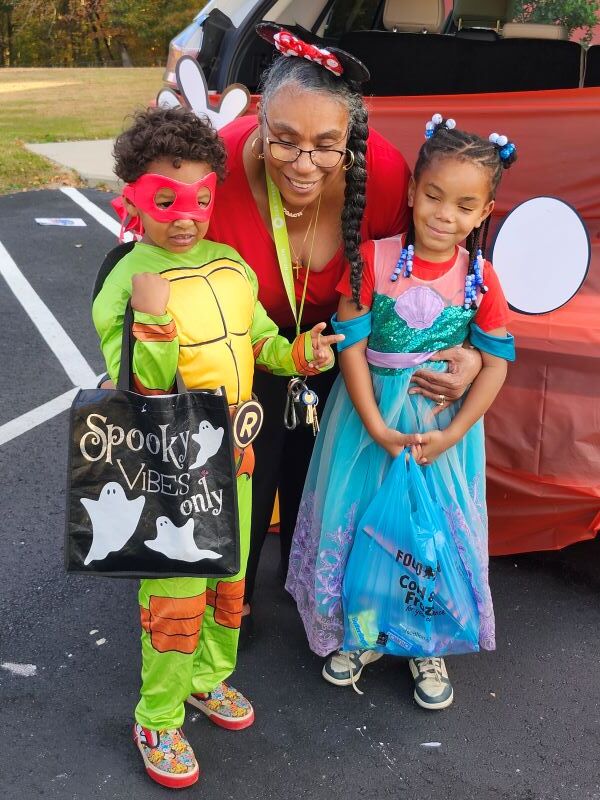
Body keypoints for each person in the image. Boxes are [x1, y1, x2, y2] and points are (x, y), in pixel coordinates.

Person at [92, 106, 341, 789]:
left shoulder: (230, 263)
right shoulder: (124, 279)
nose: (185, 216)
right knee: (175, 605)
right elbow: (140, 387)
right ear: (132, 197)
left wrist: (299, 352)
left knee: (230, 589)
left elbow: (260, 341)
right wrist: (152, 317)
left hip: (240, 461)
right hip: (173, 473)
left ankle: (208, 679)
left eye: (201, 198)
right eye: (164, 200)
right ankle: (158, 716)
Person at [206, 23, 482, 630]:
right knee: (248, 465)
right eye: (283, 141)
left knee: (322, 473)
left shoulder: (383, 174)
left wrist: (470, 351)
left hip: (342, 353)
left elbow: (429, 269)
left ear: (350, 140)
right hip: (241, 350)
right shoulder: (215, 169)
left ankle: (316, 587)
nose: (305, 164)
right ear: (257, 124)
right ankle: (233, 592)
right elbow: (149, 254)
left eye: (326, 145)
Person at [286, 114, 517, 710]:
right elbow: (353, 348)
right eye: (434, 196)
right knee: (364, 516)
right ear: (412, 192)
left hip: (440, 434)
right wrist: (374, 424)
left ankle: (426, 640)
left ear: (485, 212)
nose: (445, 214)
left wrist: (455, 431)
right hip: (367, 424)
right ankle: (361, 630)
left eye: (465, 205)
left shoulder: (482, 280)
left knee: (430, 527)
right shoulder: (370, 259)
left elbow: (494, 364)